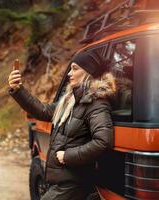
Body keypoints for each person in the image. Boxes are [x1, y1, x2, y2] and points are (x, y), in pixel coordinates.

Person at [7, 50, 117, 200]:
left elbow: (103, 142)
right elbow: (43, 111)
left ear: (88, 72)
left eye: (75, 68)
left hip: (73, 183)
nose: (69, 74)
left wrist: (67, 156)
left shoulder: (96, 104)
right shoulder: (71, 101)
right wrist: (18, 89)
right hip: (61, 181)